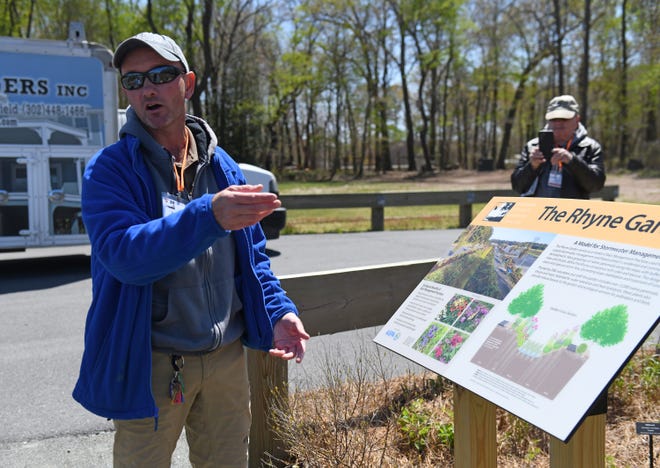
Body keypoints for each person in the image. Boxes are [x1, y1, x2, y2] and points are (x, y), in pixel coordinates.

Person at [72, 32, 309, 467]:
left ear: (189, 83)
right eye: (134, 80)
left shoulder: (225, 167)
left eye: (161, 75)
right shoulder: (110, 170)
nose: (147, 89)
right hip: (151, 364)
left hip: (226, 361)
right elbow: (124, 256)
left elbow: (254, 258)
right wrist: (208, 216)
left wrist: (278, 312)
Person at [511, 95, 605, 199]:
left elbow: (596, 186)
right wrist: (532, 166)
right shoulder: (532, 146)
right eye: (553, 118)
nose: (558, 123)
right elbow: (517, 187)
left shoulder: (590, 147)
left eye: (564, 118)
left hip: (572, 213)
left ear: (577, 119)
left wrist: (572, 161)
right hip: (536, 212)